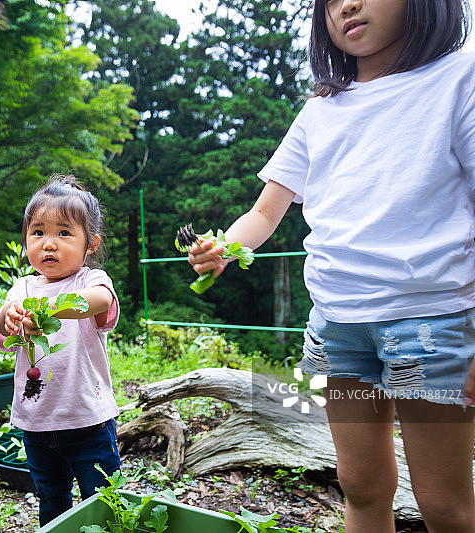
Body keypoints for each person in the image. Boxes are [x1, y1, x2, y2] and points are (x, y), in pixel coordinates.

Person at [188, 1, 475, 531]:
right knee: (361, 486)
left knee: (442, 503)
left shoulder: (458, 78)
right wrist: (222, 249)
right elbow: (264, 210)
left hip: (429, 325)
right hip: (336, 330)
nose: (347, 5)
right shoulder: (321, 109)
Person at [0, 176, 121, 526]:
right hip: (36, 422)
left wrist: (49, 308)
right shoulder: (20, 288)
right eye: (38, 233)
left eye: (64, 233)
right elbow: (4, 330)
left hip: (88, 420)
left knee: (103, 500)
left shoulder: (89, 282)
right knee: (51, 499)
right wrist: (11, 317)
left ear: (90, 244)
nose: (49, 244)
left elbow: (99, 302)